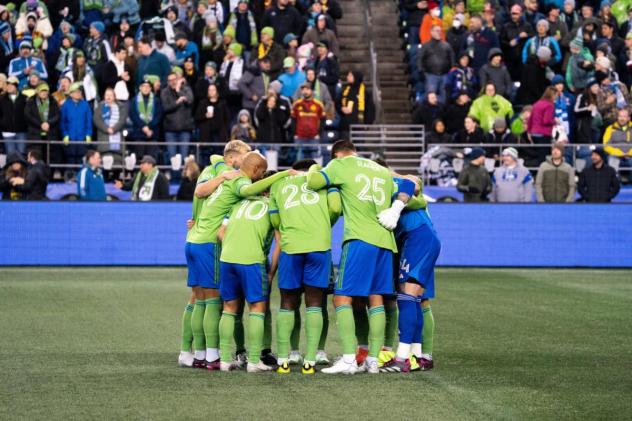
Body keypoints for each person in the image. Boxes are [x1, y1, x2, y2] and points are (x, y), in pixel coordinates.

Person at [192, 152, 291, 372]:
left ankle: (225, 360)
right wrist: (271, 272)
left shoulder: (237, 204)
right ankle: (254, 360)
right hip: (251, 260)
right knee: (257, 308)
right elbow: (280, 241)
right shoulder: (272, 206)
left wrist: (235, 244)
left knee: (229, 308)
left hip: (227, 257)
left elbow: (220, 232)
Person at [307, 140, 398, 374]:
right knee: (376, 298)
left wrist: (320, 172)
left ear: (337, 155)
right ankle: (373, 360)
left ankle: (349, 359)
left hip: (359, 238)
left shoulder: (340, 165)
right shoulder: (381, 170)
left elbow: (313, 182)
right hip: (385, 240)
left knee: (341, 299)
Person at [179, 140, 250, 368]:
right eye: (245, 155)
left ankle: (192, 352)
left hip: (195, 236)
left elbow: (200, 197)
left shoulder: (208, 171)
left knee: (197, 299)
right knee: (212, 300)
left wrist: (195, 221)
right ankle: (211, 354)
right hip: (208, 240)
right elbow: (202, 193)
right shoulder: (225, 173)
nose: (247, 160)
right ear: (231, 157)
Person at [270, 158, 341, 374]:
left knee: (287, 302)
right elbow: (336, 208)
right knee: (315, 303)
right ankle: (310, 360)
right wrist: (323, 223)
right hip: (318, 246)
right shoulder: (325, 182)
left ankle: (284, 359)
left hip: (291, 247)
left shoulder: (279, 185)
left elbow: (275, 221)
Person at [378, 176, 440, 373]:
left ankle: (401, 358)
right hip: (421, 238)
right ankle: (417, 356)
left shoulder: (391, 184)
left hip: (417, 238)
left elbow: (413, 182)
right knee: (414, 299)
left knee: (406, 296)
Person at [161, 71, 195, 161]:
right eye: (170, 80)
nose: (172, 82)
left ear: (178, 79)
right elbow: (165, 107)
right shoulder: (165, 92)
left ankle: (184, 171)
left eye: (174, 79)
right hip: (170, 129)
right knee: (172, 158)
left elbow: (190, 101)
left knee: (184, 158)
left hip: (185, 128)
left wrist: (178, 91)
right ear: (167, 82)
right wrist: (177, 102)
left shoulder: (186, 89)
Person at [417, 24, 454, 104]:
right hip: (430, 74)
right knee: (430, 96)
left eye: (440, 31)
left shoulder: (447, 45)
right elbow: (420, 59)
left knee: (444, 98)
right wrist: (421, 71)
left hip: (444, 74)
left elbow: (452, 59)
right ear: (431, 32)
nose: (439, 33)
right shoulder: (426, 45)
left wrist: (450, 71)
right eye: (437, 31)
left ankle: (440, 110)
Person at [129, 76, 163, 160]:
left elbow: (158, 115)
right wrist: (143, 127)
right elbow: (133, 115)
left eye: (148, 86)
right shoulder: (134, 101)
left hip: (152, 133)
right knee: (139, 158)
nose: (146, 88)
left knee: (152, 158)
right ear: (140, 88)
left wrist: (149, 127)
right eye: (143, 86)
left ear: (151, 88)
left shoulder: (156, 100)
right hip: (139, 133)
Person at [195, 83, 231, 160]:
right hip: (206, 135)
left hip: (219, 135)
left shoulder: (222, 103)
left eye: (213, 89)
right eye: (209, 90)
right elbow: (197, 117)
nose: (211, 91)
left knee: (219, 155)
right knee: (207, 155)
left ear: (217, 91)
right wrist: (205, 116)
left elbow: (227, 118)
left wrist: (225, 130)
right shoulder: (203, 103)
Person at [60, 82, 92, 165]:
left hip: (82, 139)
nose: (78, 93)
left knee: (82, 161)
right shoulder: (66, 105)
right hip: (70, 139)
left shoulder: (85, 105)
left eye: (79, 92)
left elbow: (88, 121)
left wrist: (88, 134)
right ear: (71, 94)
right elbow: (63, 122)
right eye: (76, 92)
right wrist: (65, 134)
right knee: (70, 161)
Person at [292, 82, 325, 160]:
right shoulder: (297, 104)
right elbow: (293, 120)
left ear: (312, 91)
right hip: (300, 137)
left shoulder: (319, 104)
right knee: (299, 162)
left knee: (314, 162)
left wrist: (319, 134)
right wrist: (295, 134)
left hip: (314, 137)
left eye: (307, 89)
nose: (305, 91)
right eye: (303, 89)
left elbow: (323, 120)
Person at [500, 4, 534, 80]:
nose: (514, 16)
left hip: (524, 60)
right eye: (512, 14)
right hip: (510, 61)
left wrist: (527, 35)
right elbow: (501, 42)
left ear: (521, 14)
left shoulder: (527, 25)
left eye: (516, 14)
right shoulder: (506, 26)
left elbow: (534, 38)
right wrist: (509, 44)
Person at [338, 70, 374, 136]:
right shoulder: (344, 90)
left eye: (350, 76)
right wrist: (341, 108)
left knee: (358, 141)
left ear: (356, 77)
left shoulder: (365, 92)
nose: (347, 77)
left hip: (359, 125)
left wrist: (368, 123)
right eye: (348, 75)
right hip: (345, 125)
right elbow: (337, 103)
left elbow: (370, 109)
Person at [93, 88, 129, 154]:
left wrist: (114, 129)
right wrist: (106, 129)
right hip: (104, 138)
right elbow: (97, 119)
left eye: (110, 95)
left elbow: (122, 120)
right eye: (107, 95)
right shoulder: (100, 106)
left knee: (117, 157)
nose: (108, 97)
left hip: (117, 137)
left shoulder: (121, 107)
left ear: (114, 97)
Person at [528, 86, 557, 164]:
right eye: (556, 95)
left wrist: (529, 132)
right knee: (543, 157)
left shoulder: (537, 103)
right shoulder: (549, 105)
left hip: (534, 133)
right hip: (544, 134)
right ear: (553, 95)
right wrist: (555, 121)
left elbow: (530, 119)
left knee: (536, 155)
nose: (556, 97)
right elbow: (546, 120)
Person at [0, 76, 28, 155]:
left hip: (21, 131)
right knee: (10, 154)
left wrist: (25, 125)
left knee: (21, 153)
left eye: (11, 84)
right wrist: (3, 124)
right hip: (7, 131)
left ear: (16, 86)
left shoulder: (25, 98)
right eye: (8, 84)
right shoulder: (1, 99)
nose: (9, 86)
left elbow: (28, 114)